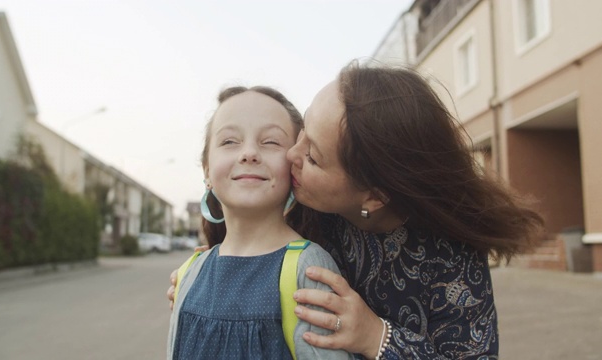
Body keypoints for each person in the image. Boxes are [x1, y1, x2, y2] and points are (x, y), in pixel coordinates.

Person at [169, 62, 544, 359]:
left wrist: (377, 337)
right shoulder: (301, 206)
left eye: (313, 157)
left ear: (373, 196)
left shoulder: (452, 256)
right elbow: (248, 236)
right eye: (302, 133)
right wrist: (212, 278)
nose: (290, 155)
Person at [167, 85, 354, 360]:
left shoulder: (308, 268)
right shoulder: (189, 273)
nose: (249, 153)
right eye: (230, 141)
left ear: (294, 165)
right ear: (207, 169)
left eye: (270, 142)